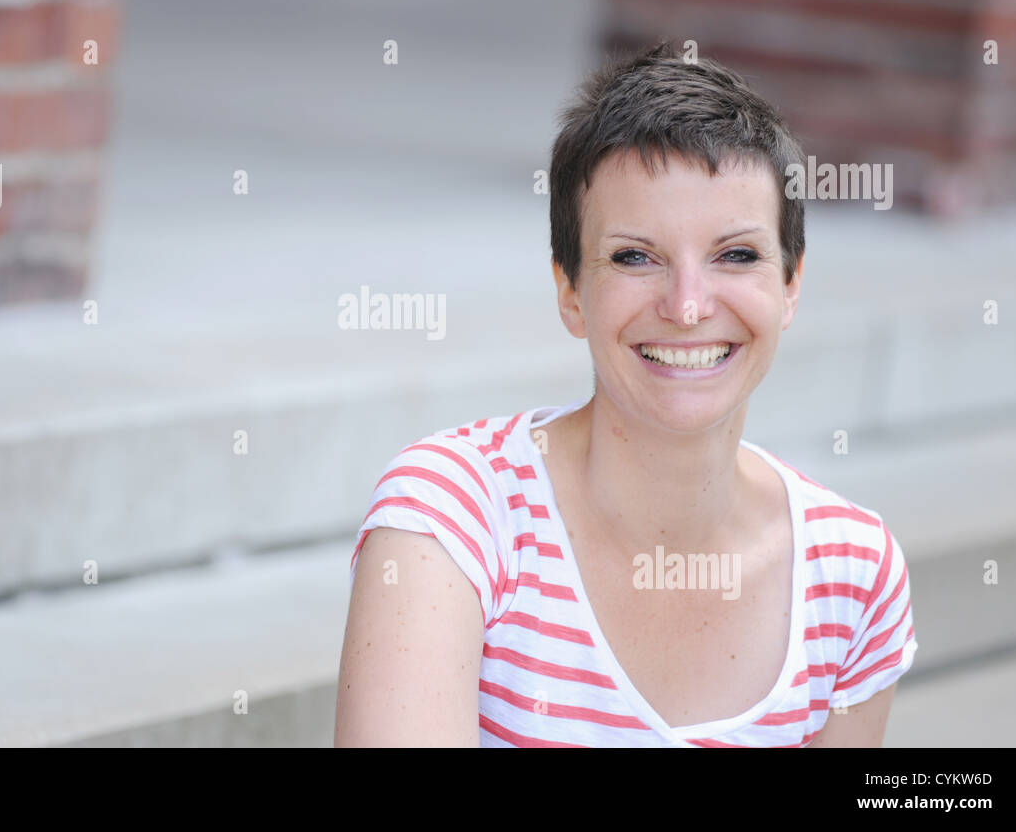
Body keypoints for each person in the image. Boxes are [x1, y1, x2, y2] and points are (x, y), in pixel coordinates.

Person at [334, 42, 916, 747]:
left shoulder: (852, 571)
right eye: (635, 257)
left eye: (736, 254)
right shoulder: (453, 517)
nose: (688, 305)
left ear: (789, 285)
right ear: (570, 291)